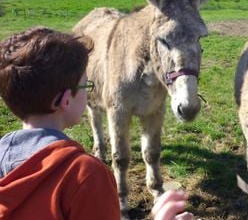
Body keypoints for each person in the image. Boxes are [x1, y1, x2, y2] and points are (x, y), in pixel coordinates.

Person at [0, 27, 194, 220]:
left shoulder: (3, 155)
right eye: (86, 85)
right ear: (65, 101)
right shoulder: (85, 175)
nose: (89, 93)